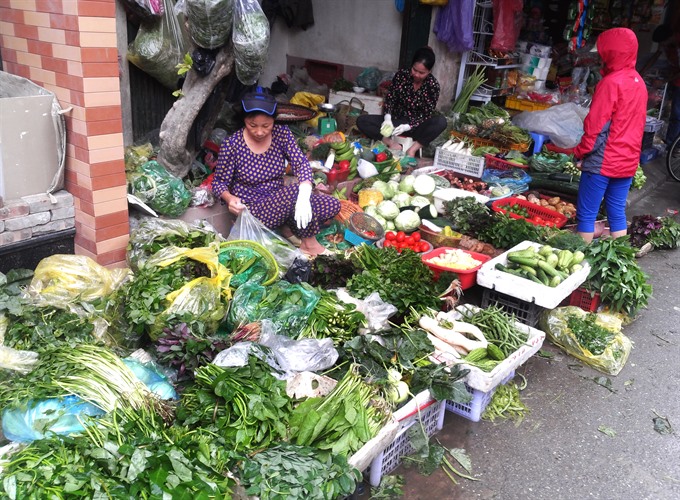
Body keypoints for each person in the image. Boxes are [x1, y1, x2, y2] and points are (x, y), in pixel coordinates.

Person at [211, 89, 340, 257]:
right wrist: (230, 199)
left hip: (281, 204)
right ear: (244, 120)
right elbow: (219, 182)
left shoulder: (281, 134)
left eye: (266, 125)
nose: (259, 132)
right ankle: (310, 245)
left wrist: (305, 190)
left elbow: (300, 163)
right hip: (253, 211)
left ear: (274, 119)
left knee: (331, 204)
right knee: (294, 192)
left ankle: (286, 228)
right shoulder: (233, 145)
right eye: (252, 125)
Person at [573, 27, 647, 244]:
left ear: (611, 52)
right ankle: (620, 259)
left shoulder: (611, 83)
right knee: (616, 212)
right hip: (628, 160)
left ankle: (579, 264)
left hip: (604, 160)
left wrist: (580, 154)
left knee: (586, 214)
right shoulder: (639, 82)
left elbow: (596, 127)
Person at [356, 46, 447, 158]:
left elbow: (426, 115)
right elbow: (390, 99)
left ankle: (412, 149)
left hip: (416, 127)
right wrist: (387, 119)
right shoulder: (401, 76)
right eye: (414, 70)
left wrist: (408, 126)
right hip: (395, 123)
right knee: (362, 121)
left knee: (441, 122)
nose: (417, 75)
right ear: (412, 65)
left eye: (422, 72)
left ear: (429, 71)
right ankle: (391, 143)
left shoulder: (433, 86)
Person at [640, 23, 680, 145]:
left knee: (677, 113)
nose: (662, 46)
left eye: (663, 43)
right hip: (674, 77)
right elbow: (655, 56)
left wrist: (663, 81)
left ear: (670, 37)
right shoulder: (667, 44)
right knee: (670, 109)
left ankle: (671, 144)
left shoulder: (678, 46)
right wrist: (641, 72)